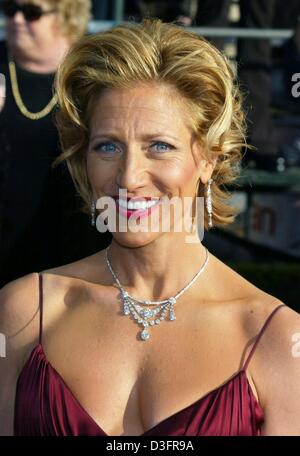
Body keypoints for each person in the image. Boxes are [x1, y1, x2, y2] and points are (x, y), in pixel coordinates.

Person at [1, 19, 300, 437]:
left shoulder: (277, 341)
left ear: (209, 158)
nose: (128, 177)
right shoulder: (24, 313)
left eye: (159, 146)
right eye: (108, 146)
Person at [0, 0, 111, 288]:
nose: (17, 20)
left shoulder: (96, 75)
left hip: (72, 244)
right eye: (9, 9)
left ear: (66, 15)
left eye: (32, 12)